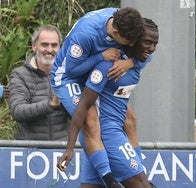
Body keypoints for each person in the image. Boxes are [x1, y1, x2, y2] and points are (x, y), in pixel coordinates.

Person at [57, 18, 159, 188]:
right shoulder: (107, 67)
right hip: (107, 134)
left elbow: (130, 119)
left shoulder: (135, 63)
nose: (152, 49)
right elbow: (83, 106)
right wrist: (70, 147)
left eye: (155, 44)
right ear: (133, 41)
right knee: (141, 184)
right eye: (148, 43)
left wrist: (131, 63)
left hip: (103, 141)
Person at [8, 25, 70, 140]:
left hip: (64, 149)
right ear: (34, 46)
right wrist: (50, 105)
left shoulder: (69, 75)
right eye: (44, 44)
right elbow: (17, 111)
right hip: (31, 150)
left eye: (54, 45)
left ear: (60, 48)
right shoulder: (19, 75)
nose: (50, 50)